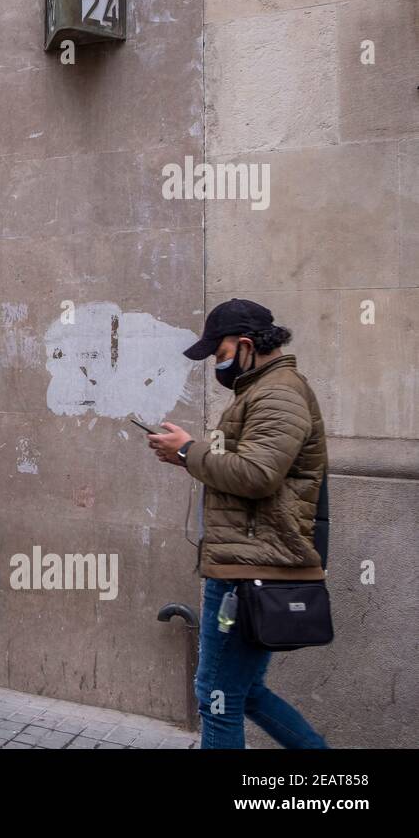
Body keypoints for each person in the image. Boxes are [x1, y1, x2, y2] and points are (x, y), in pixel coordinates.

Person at [146, 299, 329, 749]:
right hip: (251, 564)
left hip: (250, 573)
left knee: (217, 698)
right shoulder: (262, 390)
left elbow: (258, 475)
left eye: (218, 351)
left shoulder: (278, 392)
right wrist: (191, 456)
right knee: (242, 694)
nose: (215, 362)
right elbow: (249, 467)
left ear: (246, 344)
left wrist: (190, 452)